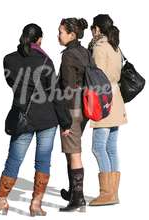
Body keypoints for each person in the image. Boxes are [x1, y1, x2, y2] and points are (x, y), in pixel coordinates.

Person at [0, 23, 72, 216]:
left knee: (13, 160)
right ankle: (35, 205)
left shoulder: (9, 60)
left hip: (23, 117)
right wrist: (66, 123)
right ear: (39, 40)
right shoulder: (45, 61)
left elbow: (12, 84)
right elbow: (56, 94)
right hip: (47, 119)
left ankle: (0, 202)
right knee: (43, 161)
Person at [88, 14, 127, 206]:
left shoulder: (99, 47)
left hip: (104, 101)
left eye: (91, 29)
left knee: (98, 147)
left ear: (96, 29)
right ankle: (113, 193)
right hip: (117, 99)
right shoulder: (115, 46)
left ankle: (106, 193)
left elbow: (96, 78)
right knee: (111, 148)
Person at [57, 17, 89, 212]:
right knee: (72, 151)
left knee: (74, 153)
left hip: (72, 108)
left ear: (72, 35)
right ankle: (73, 192)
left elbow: (68, 87)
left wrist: (66, 121)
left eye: (61, 31)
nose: (58, 35)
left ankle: (78, 199)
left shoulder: (69, 55)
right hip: (84, 106)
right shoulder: (84, 51)